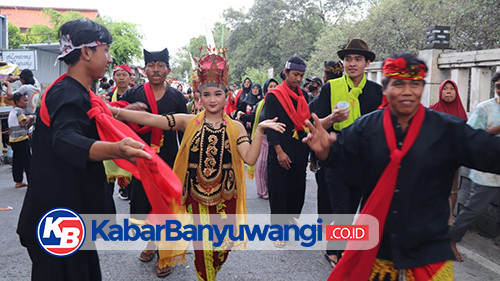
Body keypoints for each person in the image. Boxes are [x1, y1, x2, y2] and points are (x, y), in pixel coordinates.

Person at [303, 52, 500, 281]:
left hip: (428, 249)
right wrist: (325, 150)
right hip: (378, 250)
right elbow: (341, 160)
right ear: (385, 88)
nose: (407, 91)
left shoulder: (446, 129)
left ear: (422, 87)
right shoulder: (366, 128)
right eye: (398, 84)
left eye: (414, 84)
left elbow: (488, 152)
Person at [109, 51, 285, 279]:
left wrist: (259, 131)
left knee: (221, 251)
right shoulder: (188, 121)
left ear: (226, 96)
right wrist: (111, 110)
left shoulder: (237, 128)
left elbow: (250, 159)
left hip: (225, 198)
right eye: (207, 94)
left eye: (218, 94)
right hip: (195, 197)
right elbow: (152, 119)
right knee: (203, 254)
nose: (212, 99)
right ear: (199, 97)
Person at [16, 19, 151, 281]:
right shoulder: (68, 94)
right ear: (87, 52)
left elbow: (95, 109)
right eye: (106, 51)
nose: (110, 59)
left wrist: (122, 111)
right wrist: (117, 149)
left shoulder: (75, 90)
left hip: (67, 211)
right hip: (59, 217)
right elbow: (66, 139)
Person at [108, 47, 187, 271]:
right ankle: (152, 242)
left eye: (160, 66)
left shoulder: (177, 97)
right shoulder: (133, 94)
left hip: (168, 158)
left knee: (165, 204)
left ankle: (165, 253)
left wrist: (188, 161)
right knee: (144, 204)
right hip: (141, 159)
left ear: (168, 70)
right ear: (144, 70)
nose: (155, 70)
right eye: (151, 66)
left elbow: (183, 130)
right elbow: (115, 114)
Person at [313, 38, 382, 267]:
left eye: (358, 59)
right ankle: (334, 252)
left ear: (367, 63)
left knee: (355, 209)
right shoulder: (330, 88)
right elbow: (314, 125)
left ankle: (346, 250)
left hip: (365, 160)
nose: (352, 64)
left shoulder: (376, 92)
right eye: (348, 59)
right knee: (341, 209)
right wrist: (332, 119)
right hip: (337, 156)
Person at [449, 72, 500, 263]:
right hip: (486, 171)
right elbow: (469, 137)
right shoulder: (485, 109)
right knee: (473, 210)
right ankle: (451, 240)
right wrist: (496, 130)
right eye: (498, 86)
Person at [429, 79, 468, 225]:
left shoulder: (460, 112)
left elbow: (465, 134)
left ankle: (448, 217)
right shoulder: (432, 110)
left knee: (452, 188)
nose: (449, 92)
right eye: (445, 89)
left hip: (453, 157)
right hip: (434, 157)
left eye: (452, 89)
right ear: (440, 92)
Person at [104, 64, 134, 202]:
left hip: (130, 137)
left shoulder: (136, 95)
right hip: (111, 138)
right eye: (118, 75)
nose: (121, 78)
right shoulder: (108, 97)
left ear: (130, 78)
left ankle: (127, 190)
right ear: (114, 77)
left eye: (124, 75)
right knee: (107, 175)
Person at [247, 78, 279, 199]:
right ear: (266, 88)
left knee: (270, 167)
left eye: (275, 86)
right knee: (260, 166)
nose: (273, 88)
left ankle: (270, 189)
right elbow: (253, 117)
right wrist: (241, 115)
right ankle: (262, 190)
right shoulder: (261, 104)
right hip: (262, 137)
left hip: (276, 138)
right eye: (270, 86)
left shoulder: (281, 103)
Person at [8, 93, 32, 188]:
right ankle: (32, 181)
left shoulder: (12, 111)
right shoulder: (20, 111)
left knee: (17, 161)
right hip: (21, 140)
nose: (26, 102)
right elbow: (22, 124)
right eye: (25, 100)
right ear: (18, 102)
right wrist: (30, 118)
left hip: (14, 140)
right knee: (27, 161)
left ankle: (18, 181)